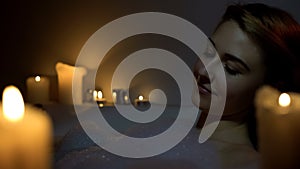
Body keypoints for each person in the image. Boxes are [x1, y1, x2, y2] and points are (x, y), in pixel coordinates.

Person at [194, 2, 300, 157]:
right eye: (209, 52)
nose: (203, 71)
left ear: (267, 88)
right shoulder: (176, 136)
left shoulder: (241, 164)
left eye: (230, 68)